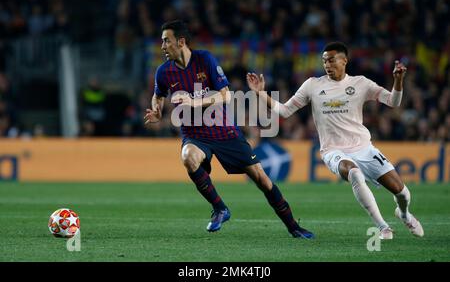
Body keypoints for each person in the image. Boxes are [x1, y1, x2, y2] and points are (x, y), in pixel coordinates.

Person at [144, 20, 314, 238]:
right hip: (195, 135)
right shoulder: (164, 72)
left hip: (224, 132)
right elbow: (157, 95)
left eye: (166, 41)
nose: (162, 46)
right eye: (162, 41)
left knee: (262, 179)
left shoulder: (204, 59)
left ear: (181, 41)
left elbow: (225, 94)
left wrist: (194, 102)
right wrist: (157, 110)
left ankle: (293, 227)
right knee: (188, 157)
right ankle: (220, 209)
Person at [247, 41, 424, 239]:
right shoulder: (313, 85)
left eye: (331, 60)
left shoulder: (361, 83)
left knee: (401, 193)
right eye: (324, 61)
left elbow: (393, 102)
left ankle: (404, 213)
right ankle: (383, 226)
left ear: (344, 61)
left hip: (364, 148)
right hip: (333, 151)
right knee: (354, 173)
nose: (327, 65)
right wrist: (260, 93)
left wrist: (398, 81)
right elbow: (285, 110)